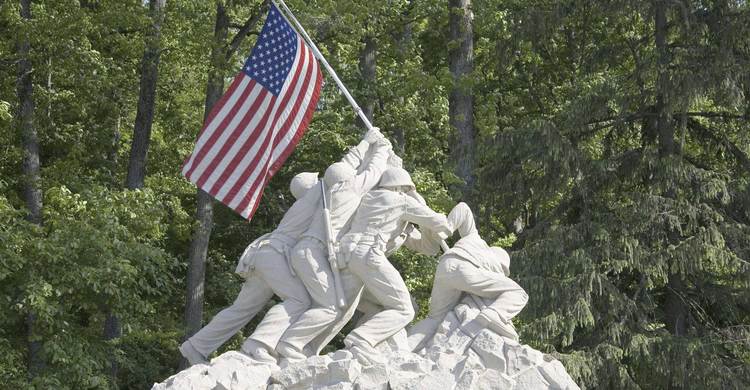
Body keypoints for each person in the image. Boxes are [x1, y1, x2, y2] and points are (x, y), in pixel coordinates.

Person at [178, 172, 320, 366]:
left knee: (241, 309)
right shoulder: (312, 198)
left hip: (267, 256)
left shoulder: (304, 204)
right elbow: (337, 179)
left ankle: (195, 346)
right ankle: (258, 344)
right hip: (275, 256)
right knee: (299, 300)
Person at [276, 128, 393, 361]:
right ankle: (290, 343)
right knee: (330, 306)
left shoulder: (328, 191)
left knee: (331, 305)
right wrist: (381, 148)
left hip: (309, 251)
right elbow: (374, 170)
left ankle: (303, 346)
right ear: (349, 177)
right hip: (313, 251)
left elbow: (340, 168)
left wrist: (364, 144)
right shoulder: (351, 188)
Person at [335, 167, 452, 365]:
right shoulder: (399, 201)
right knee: (404, 309)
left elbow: (426, 247)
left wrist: (423, 225)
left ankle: (372, 346)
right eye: (406, 189)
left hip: (348, 258)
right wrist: (416, 198)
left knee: (349, 308)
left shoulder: (371, 199)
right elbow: (440, 221)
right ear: (400, 187)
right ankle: (362, 338)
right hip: (368, 256)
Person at [407, 202, 529, 353]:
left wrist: (447, 228)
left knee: (434, 319)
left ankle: (404, 348)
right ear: (502, 265)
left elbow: (463, 208)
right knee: (519, 293)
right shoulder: (494, 266)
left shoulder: (474, 237)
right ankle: (494, 314)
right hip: (465, 269)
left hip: (445, 264)